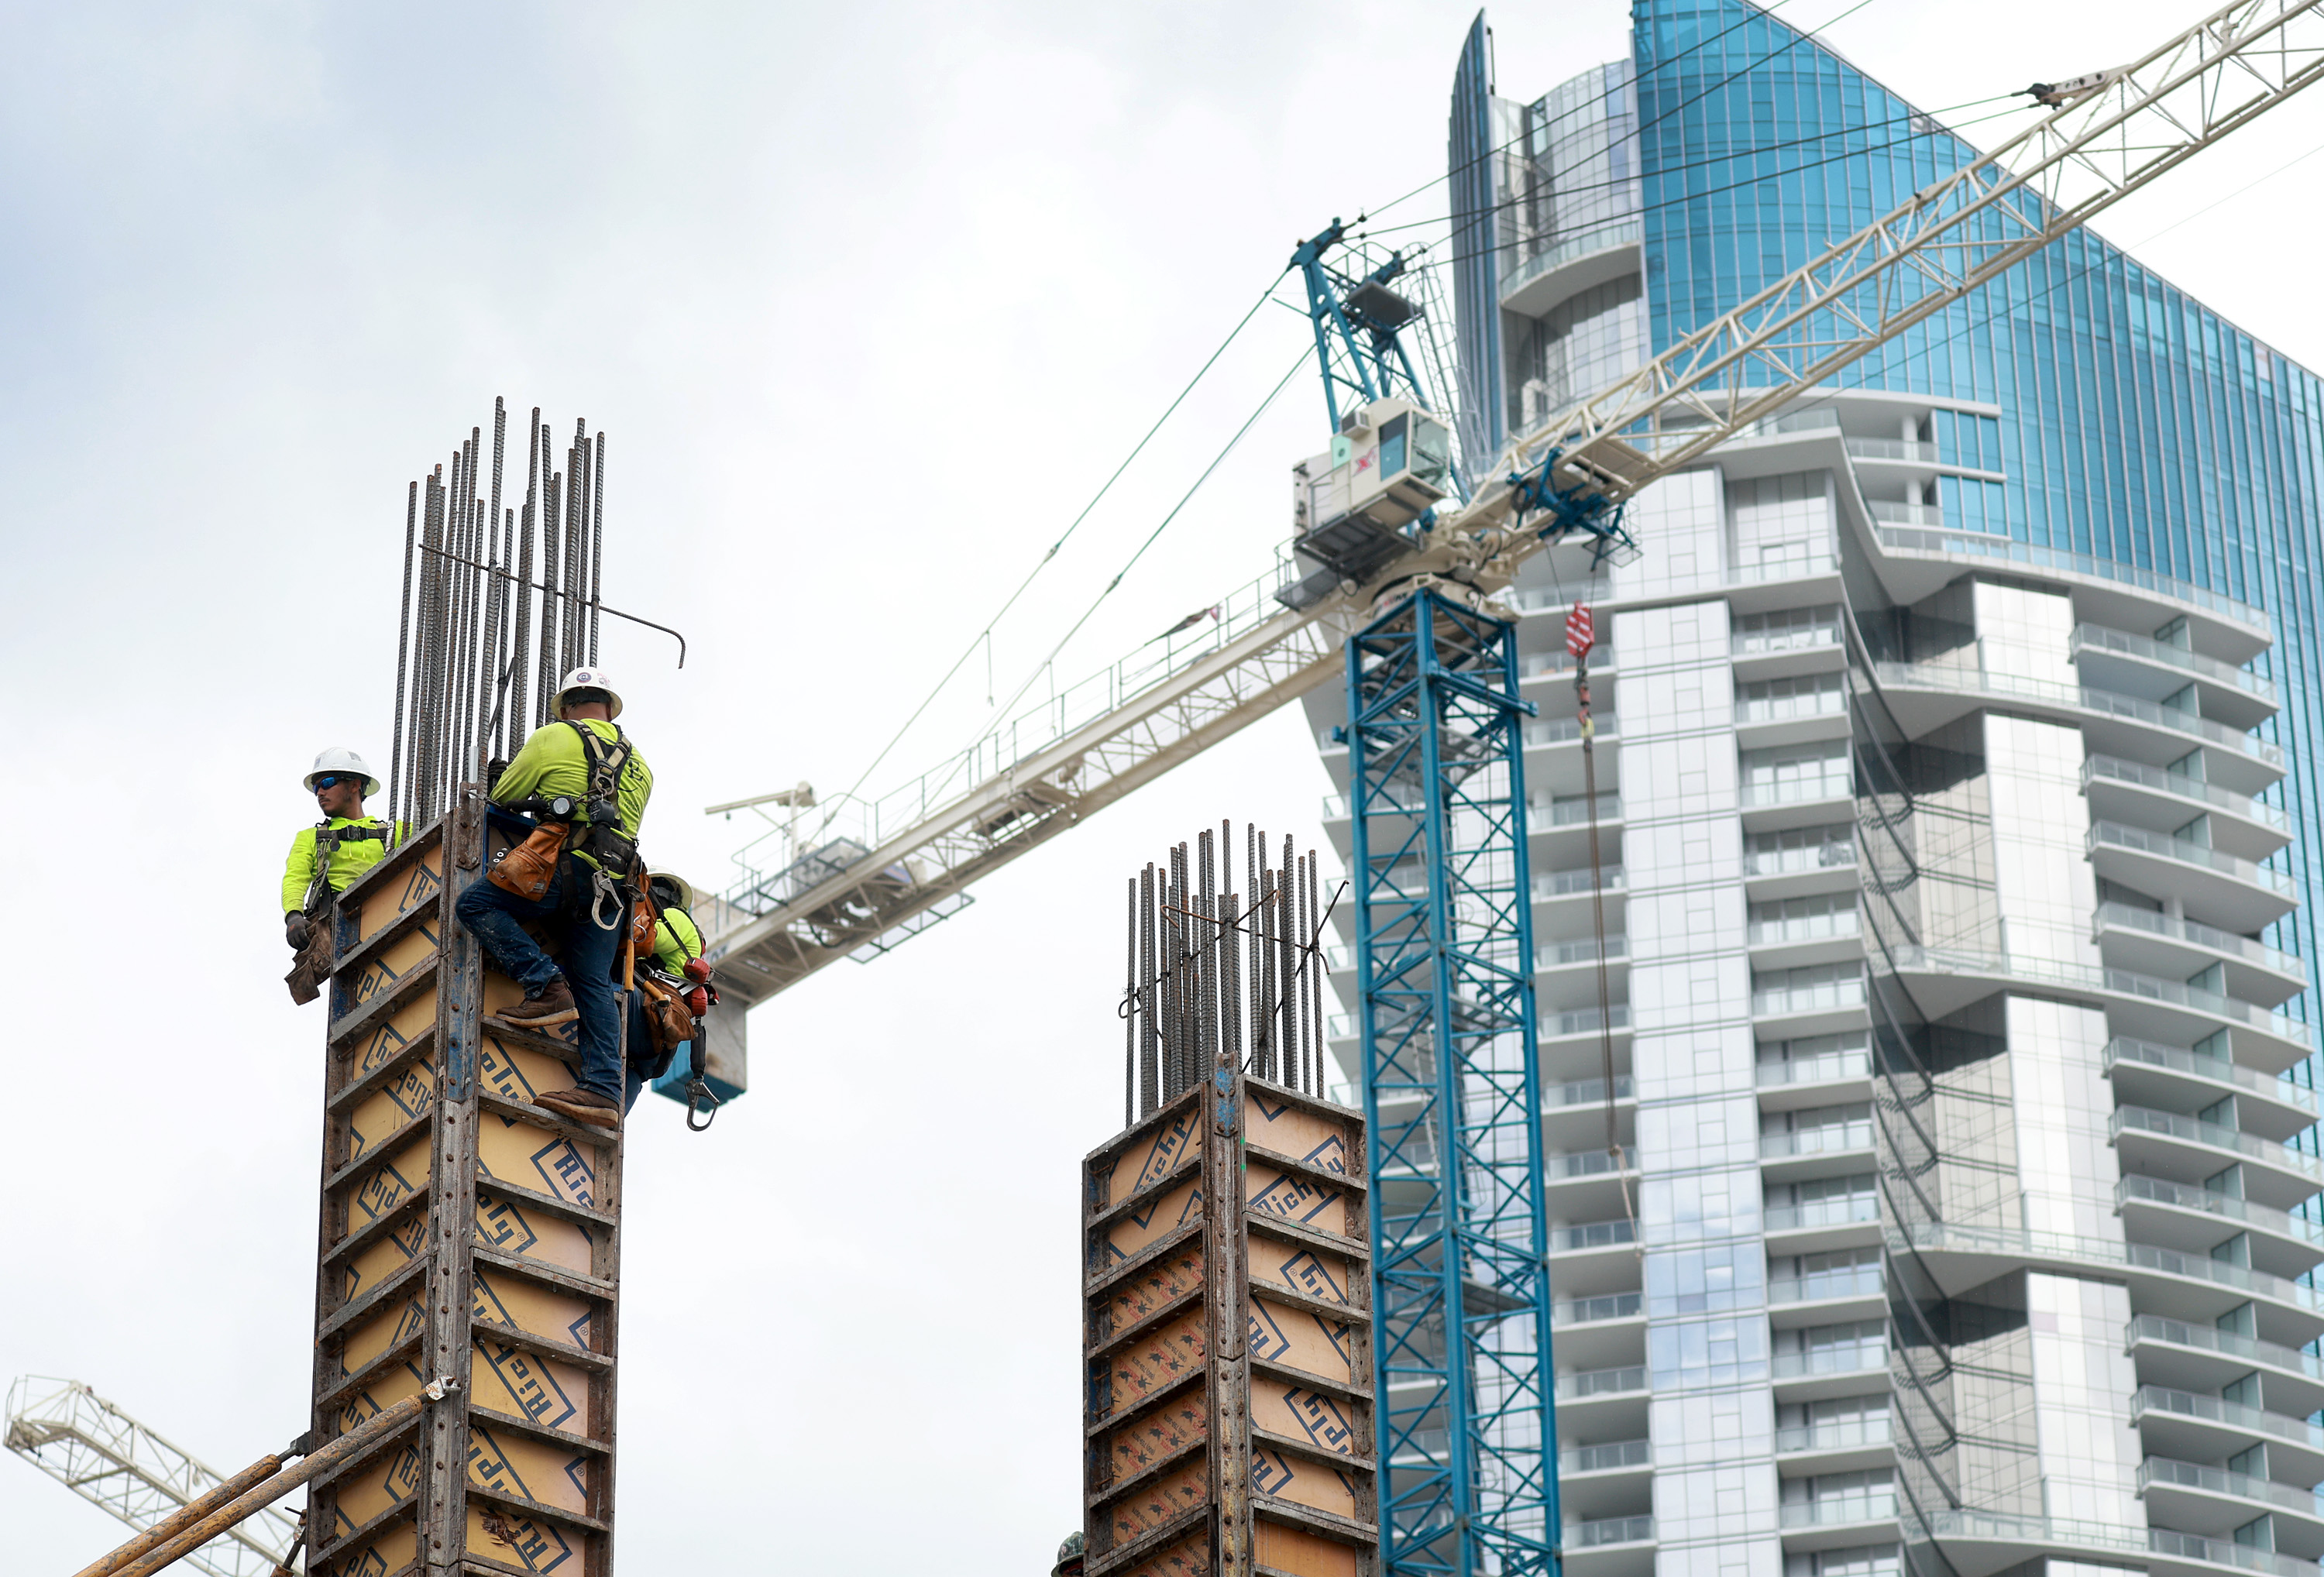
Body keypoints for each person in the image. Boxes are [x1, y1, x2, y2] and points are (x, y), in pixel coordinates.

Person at [455, 666, 654, 1130]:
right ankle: (604, 1089)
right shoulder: (643, 767)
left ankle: (544, 984)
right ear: (609, 707)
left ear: (565, 706)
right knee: (593, 980)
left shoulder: (552, 736)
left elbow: (504, 795)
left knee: (475, 905)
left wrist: (508, 780)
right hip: (616, 884)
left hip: (560, 867)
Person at [280, 747, 397, 952]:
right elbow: (295, 878)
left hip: (387, 915)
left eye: (327, 783)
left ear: (354, 785)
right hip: (340, 924)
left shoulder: (393, 832)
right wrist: (293, 915)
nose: (320, 792)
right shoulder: (311, 837)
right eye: (316, 787)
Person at [622, 870, 707, 1112]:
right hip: (658, 1035)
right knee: (615, 1105)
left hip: (649, 1013)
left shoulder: (674, 918)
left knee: (593, 987)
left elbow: (641, 939)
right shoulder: (689, 930)